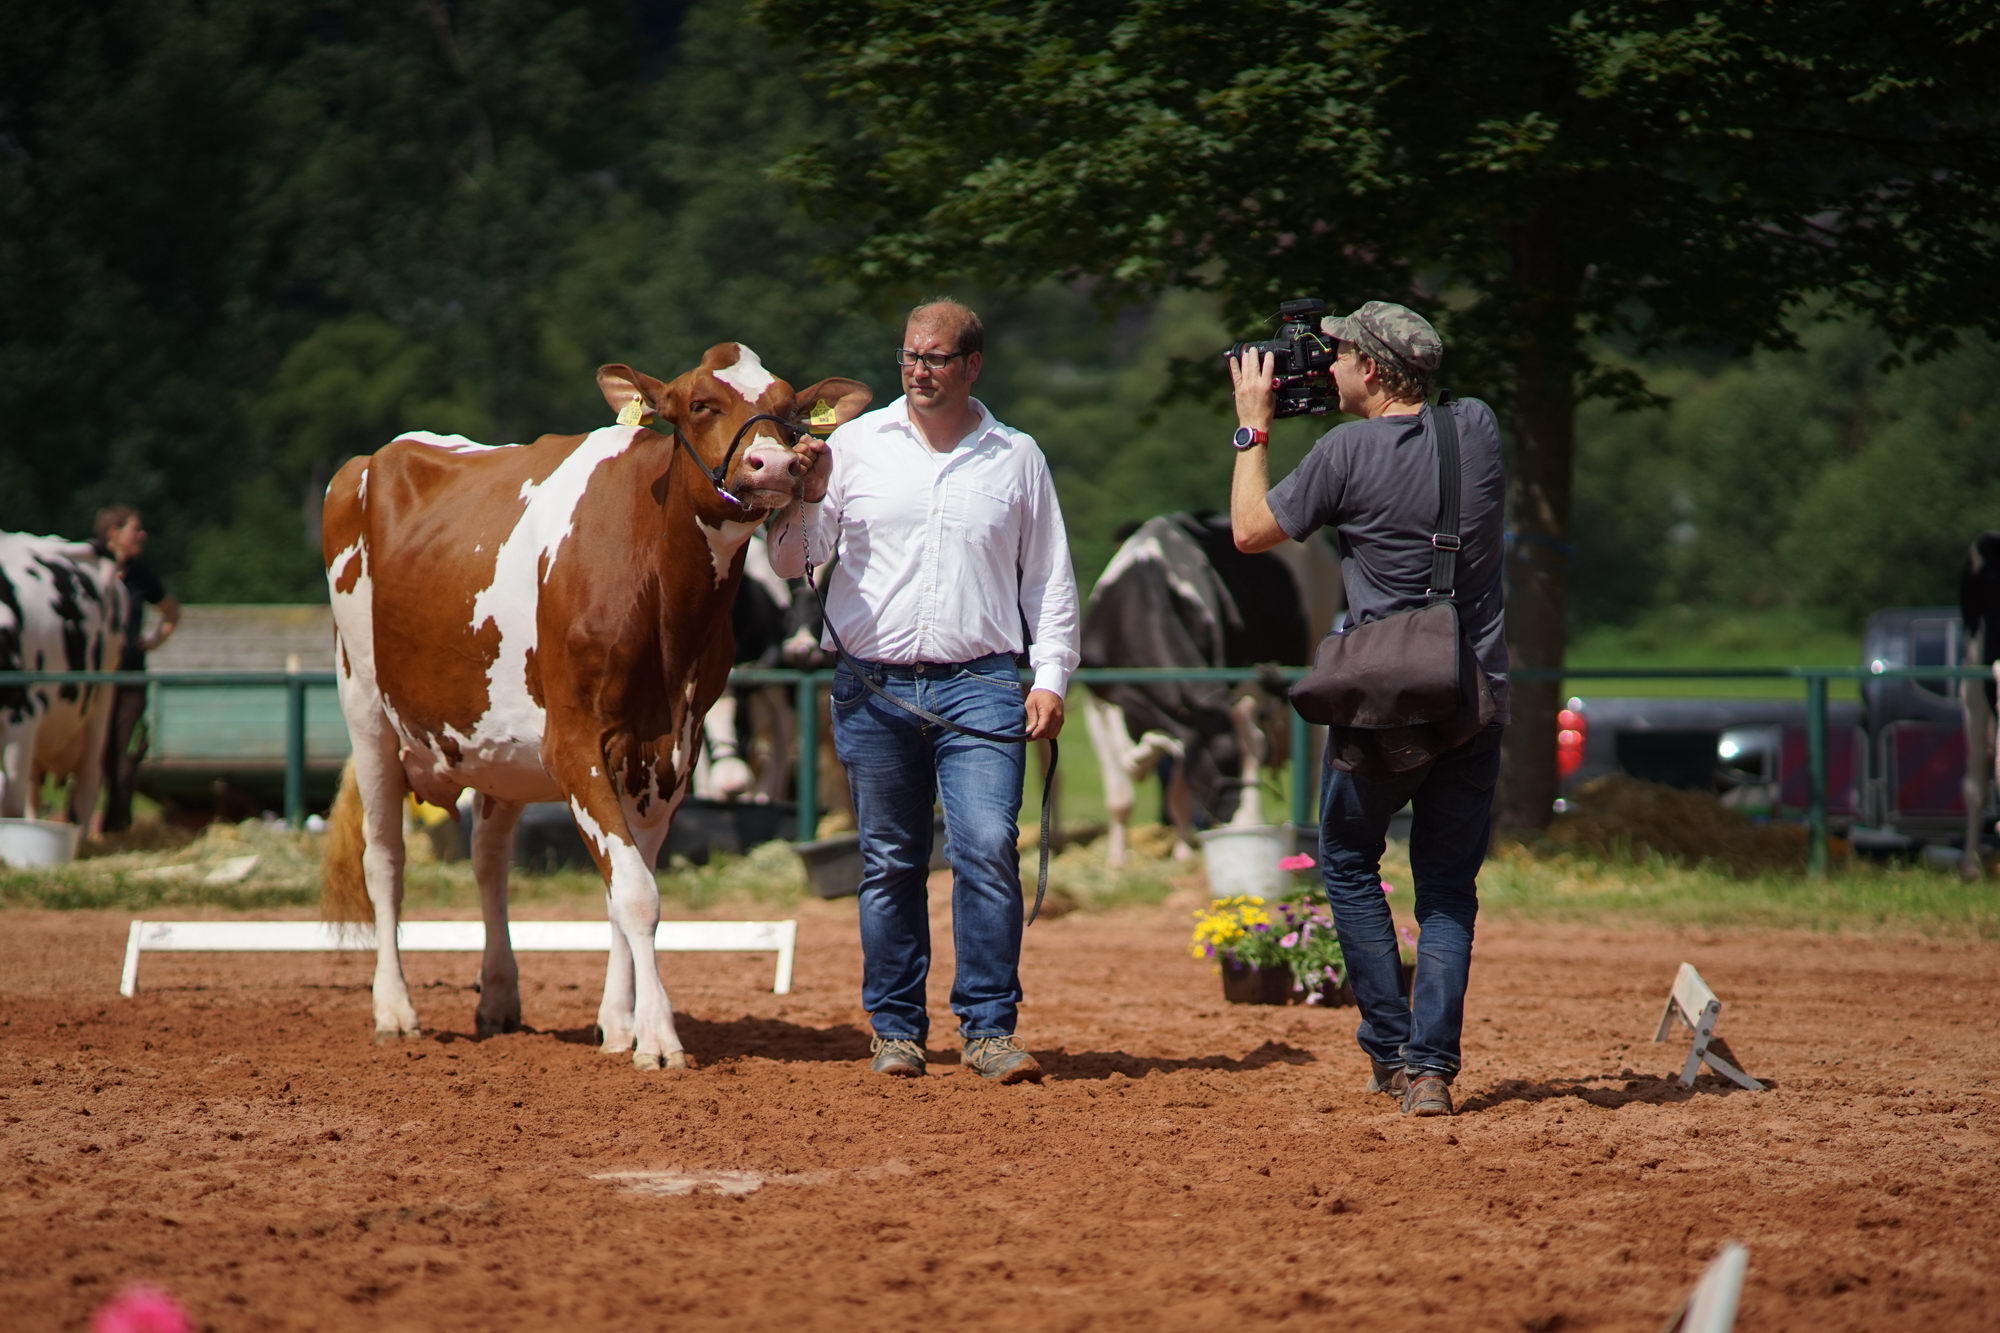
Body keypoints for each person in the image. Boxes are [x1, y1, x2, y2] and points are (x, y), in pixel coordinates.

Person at [777, 298, 1080, 1083]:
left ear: (972, 364)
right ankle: (896, 1030)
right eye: (910, 355)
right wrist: (806, 495)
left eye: (936, 357)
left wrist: (1051, 675)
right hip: (873, 684)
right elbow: (790, 562)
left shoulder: (1017, 456)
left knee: (986, 846)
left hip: (982, 680)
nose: (918, 370)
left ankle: (988, 1028)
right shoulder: (852, 447)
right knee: (889, 860)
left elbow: (1050, 577)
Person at [1226, 301, 1508, 1118]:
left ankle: (1390, 1051)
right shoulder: (1479, 429)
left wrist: (1253, 426)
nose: (1330, 365)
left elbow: (1248, 531)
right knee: (1447, 888)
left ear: (1374, 371)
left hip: (1382, 699)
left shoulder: (1342, 452)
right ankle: (1433, 1069)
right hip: (1473, 693)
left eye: (1342, 354)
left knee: (1350, 863)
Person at [91, 505, 181, 835]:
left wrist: (154, 641)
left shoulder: (141, 575)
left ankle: (116, 828)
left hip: (129, 678)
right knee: (90, 752)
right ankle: (77, 823)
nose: (142, 535)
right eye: (135, 529)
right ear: (113, 533)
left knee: (123, 756)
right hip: (90, 680)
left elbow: (172, 611)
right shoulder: (87, 567)